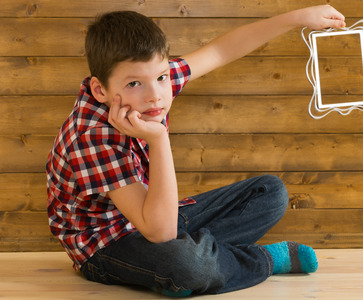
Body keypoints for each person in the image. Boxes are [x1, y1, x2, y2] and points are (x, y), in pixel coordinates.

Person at [46, 5, 345, 296]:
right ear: (101, 90)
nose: (156, 96)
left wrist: (298, 18)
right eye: (135, 83)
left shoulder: (152, 83)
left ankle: (190, 265)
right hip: (105, 245)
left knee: (270, 192)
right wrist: (159, 139)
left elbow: (221, 50)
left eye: (162, 77)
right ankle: (258, 260)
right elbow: (160, 233)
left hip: (153, 216)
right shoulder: (93, 137)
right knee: (188, 265)